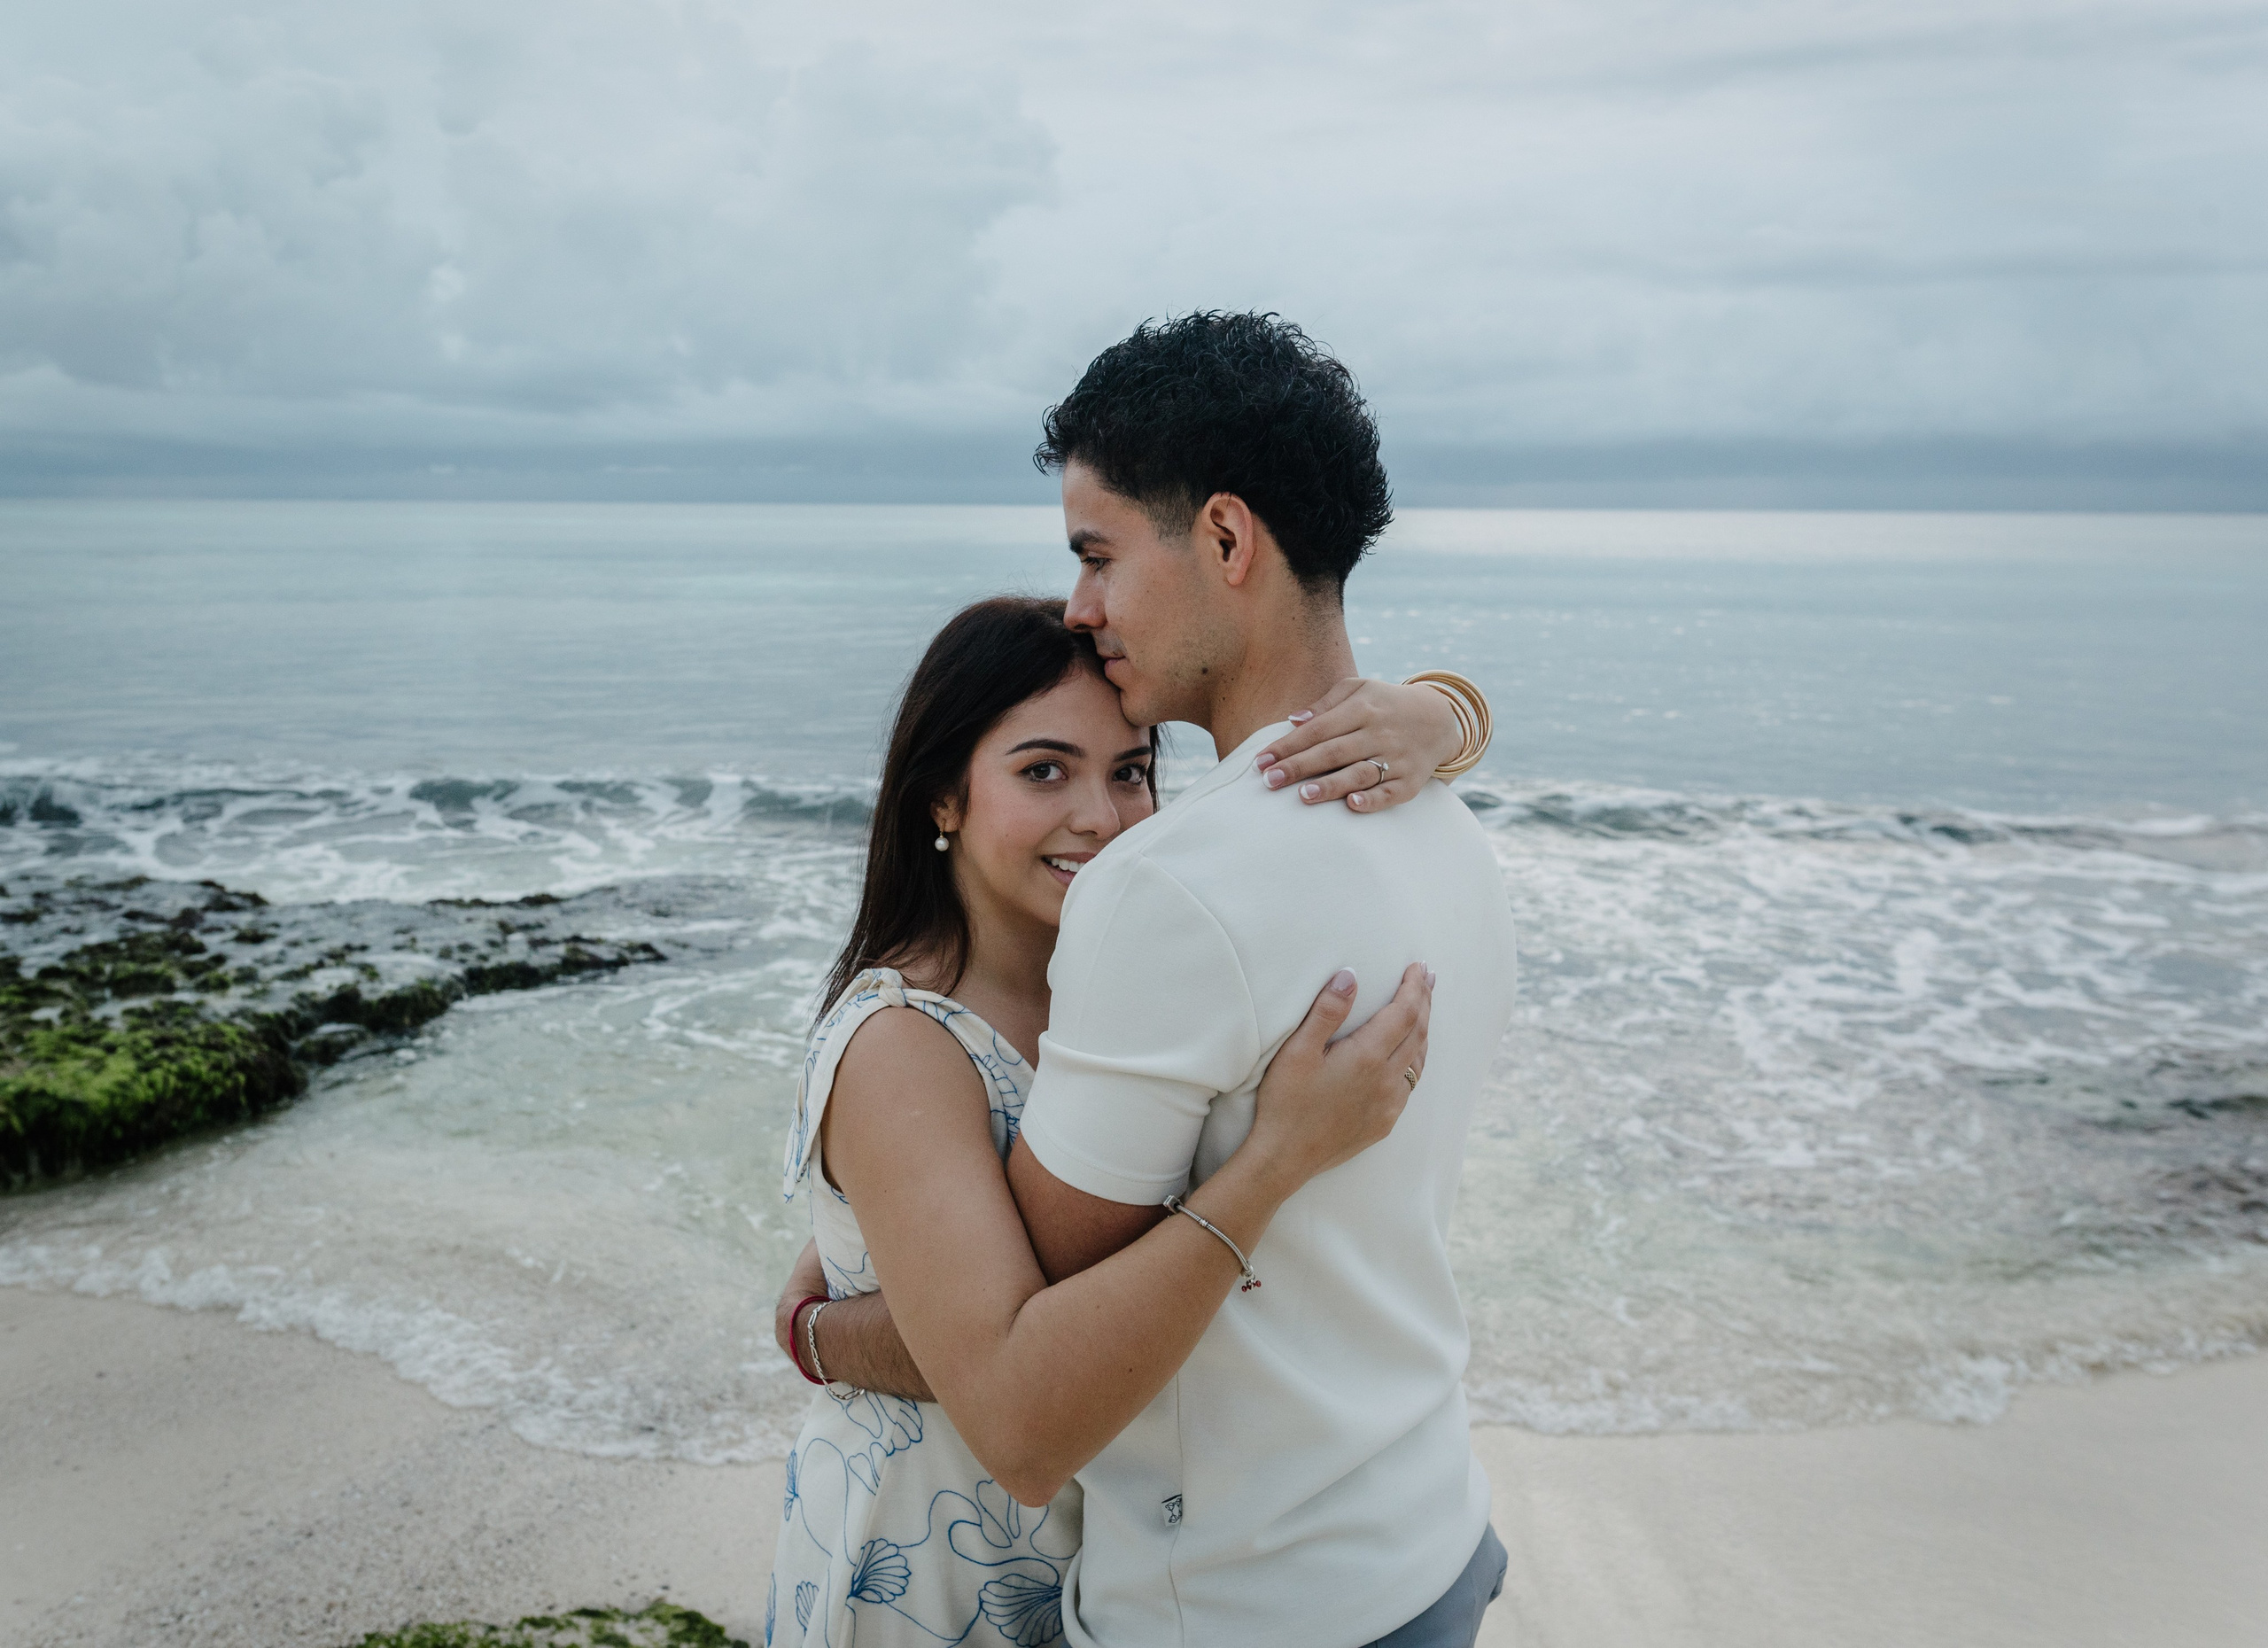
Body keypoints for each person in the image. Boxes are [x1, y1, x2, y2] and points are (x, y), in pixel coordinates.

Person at [789, 312, 1518, 1648]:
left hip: (1248, 1603)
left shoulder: (1177, 887)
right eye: (1044, 770)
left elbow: (1014, 1384)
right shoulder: (1443, 822)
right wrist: (1453, 711)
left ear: (1228, 542)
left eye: (1097, 553)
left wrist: (826, 1335)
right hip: (1427, 1538)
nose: (1082, 603)